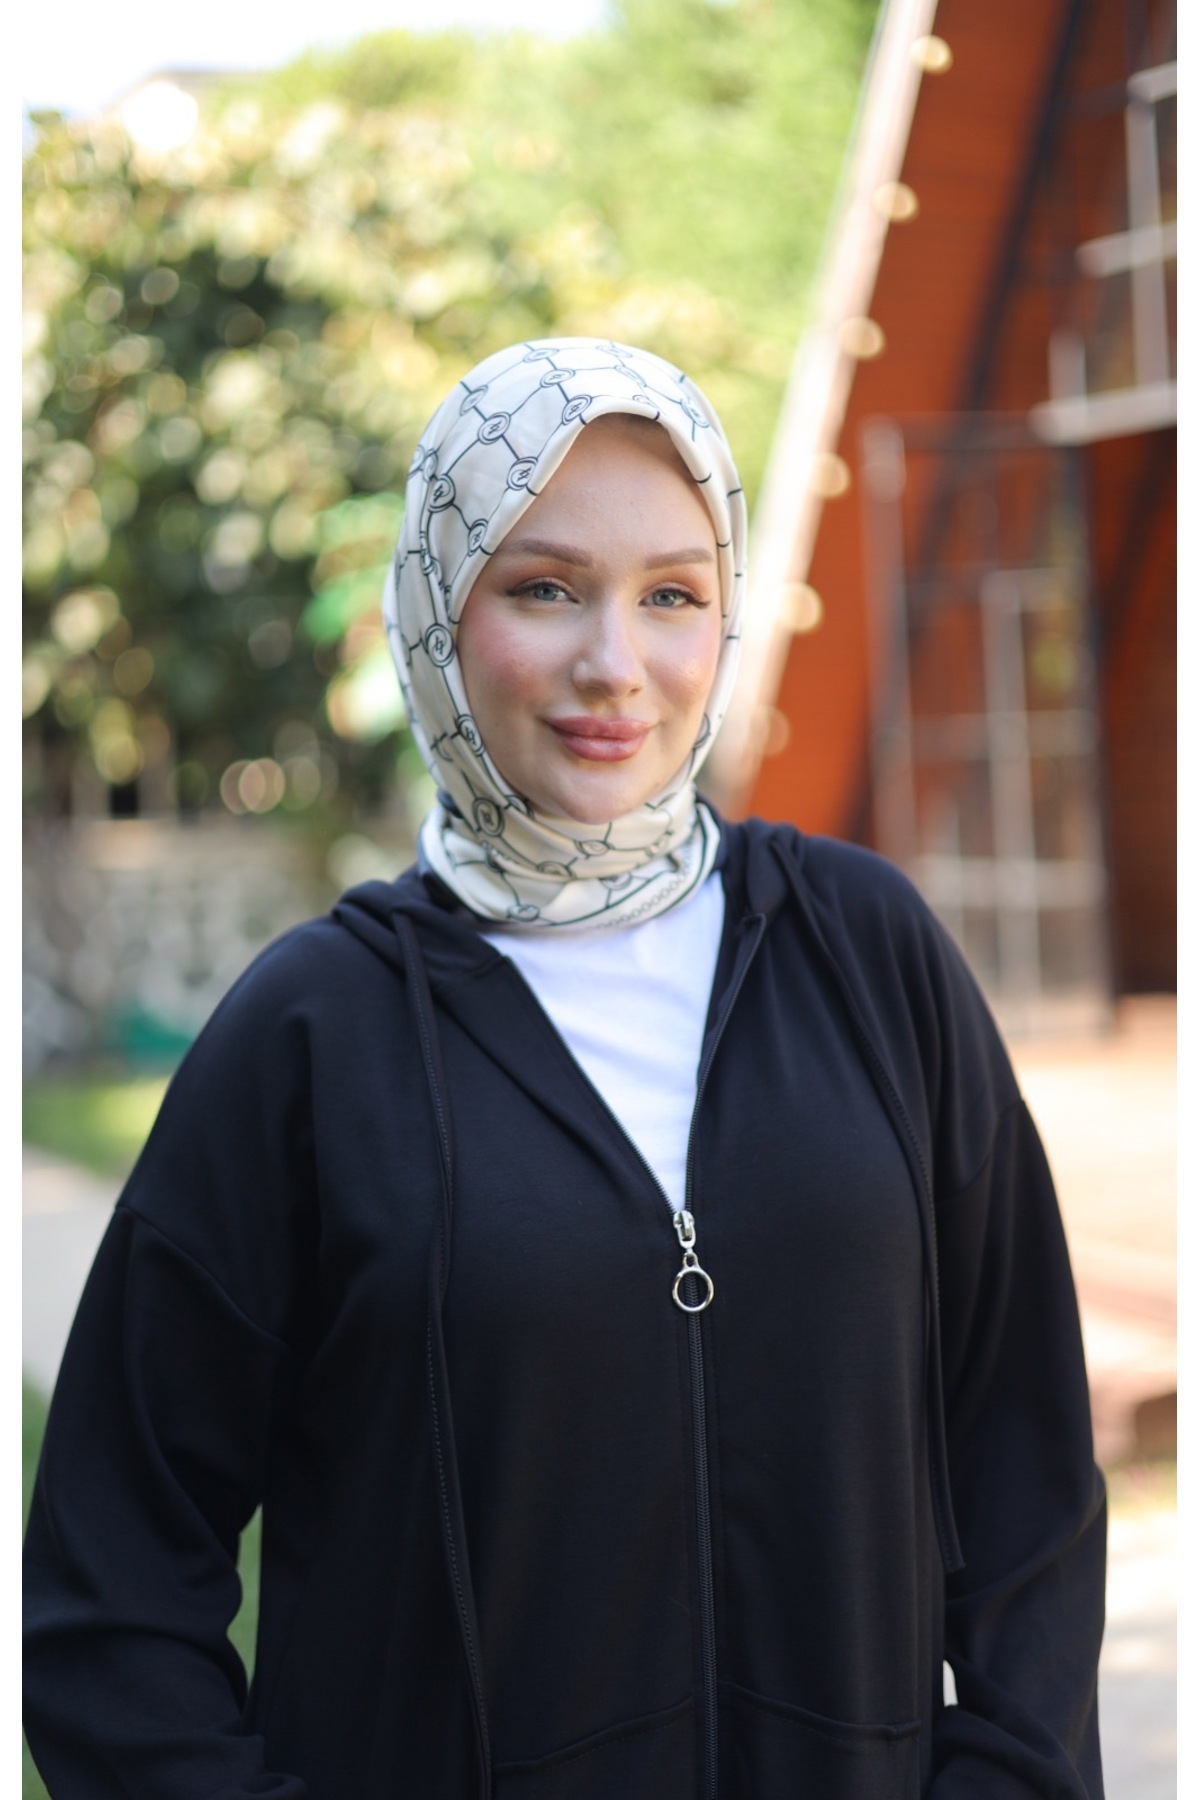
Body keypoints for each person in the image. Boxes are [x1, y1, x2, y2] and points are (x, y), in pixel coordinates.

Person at [24, 339, 1106, 1799]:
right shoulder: (311, 1036)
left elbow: (1028, 1467)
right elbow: (109, 1594)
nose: (616, 665)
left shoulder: (868, 955)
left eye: (673, 595)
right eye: (544, 588)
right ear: (439, 607)